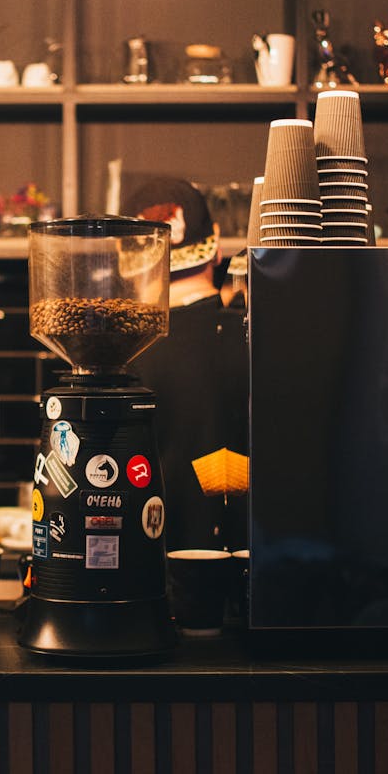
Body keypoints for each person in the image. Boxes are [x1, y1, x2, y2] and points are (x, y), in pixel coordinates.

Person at [124, 177, 248, 552]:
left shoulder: (125, 354)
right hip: (262, 577)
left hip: (162, 579)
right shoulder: (262, 334)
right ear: (215, 249)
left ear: (131, 267)